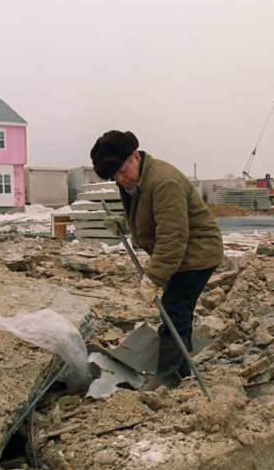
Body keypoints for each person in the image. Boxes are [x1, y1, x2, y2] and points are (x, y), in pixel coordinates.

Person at [90, 131, 223, 390]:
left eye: (122, 171)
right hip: (179, 252)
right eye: (114, 176)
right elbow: (150, 215)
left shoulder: (163, 181)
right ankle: (181, 368)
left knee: (173, 309)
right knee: (180, 310)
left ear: (135, 157)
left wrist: (154, 277)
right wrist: (124, 223)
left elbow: (172, 236)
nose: (120, 179)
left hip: (197, 252)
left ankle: (168, 375)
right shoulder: (133, 181)